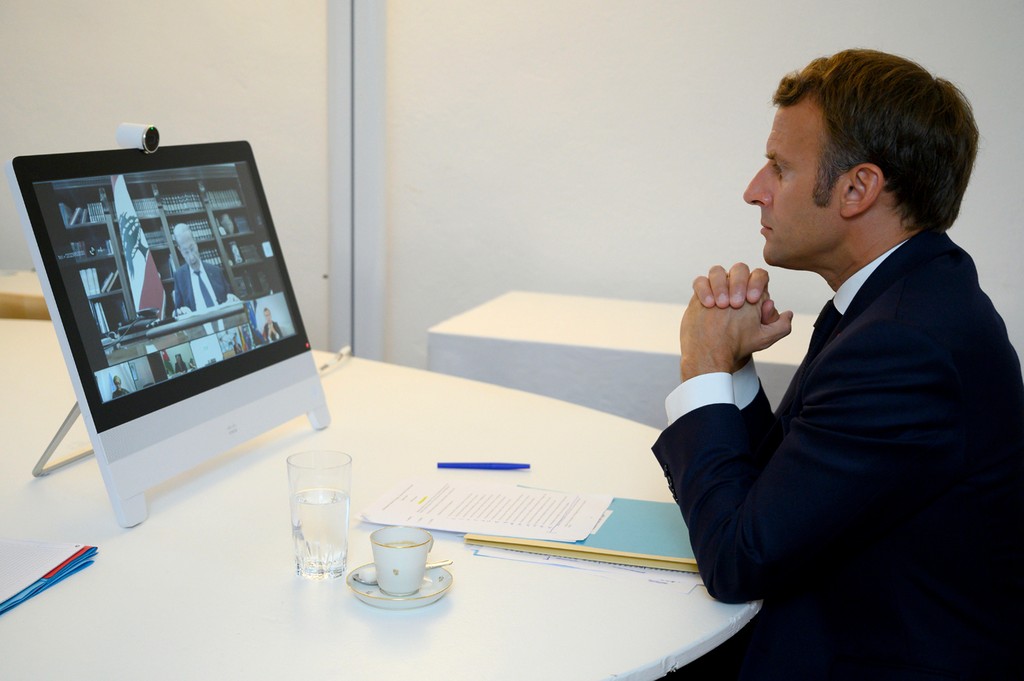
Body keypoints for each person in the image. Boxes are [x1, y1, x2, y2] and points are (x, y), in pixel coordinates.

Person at [653, 49, 1024, 679]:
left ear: (857, 189)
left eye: (779, 168)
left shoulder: (902, 344)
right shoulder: (903, 295)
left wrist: (705, 367)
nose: (754, 191)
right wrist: (734, 368)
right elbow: (782, 489)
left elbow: (739, 561)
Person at [170, 223, 237, 317]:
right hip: (198, 324)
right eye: (186, 252)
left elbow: (231, 297)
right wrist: (179, 311)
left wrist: (232, 298)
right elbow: (178, 310)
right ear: (180, 250)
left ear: (196, 243)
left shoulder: (216, 271)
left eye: (192, 249)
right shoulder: (179, 277)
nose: (191, 257)